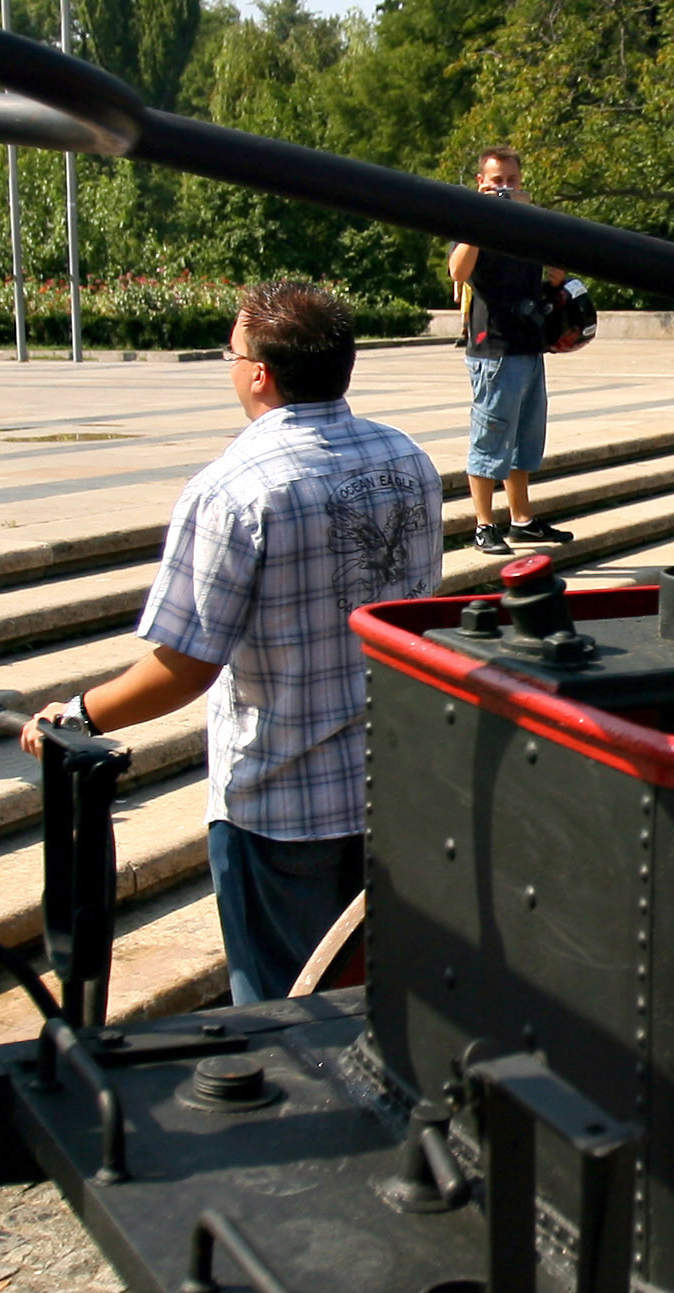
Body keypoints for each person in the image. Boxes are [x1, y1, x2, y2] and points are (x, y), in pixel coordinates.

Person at [24, 281, 441, 1005]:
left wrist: (82, 715)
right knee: (381, 1005)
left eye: (233, 349)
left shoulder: (237, 488)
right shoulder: (406, 460)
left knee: (286, 1020)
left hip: (283, 804)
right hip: (393, 785)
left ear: (258, 372)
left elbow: (185, 665)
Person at [448, 146, 572, 557]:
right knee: (490, 438)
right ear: (480, 183)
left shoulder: (528, 224)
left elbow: (548, 275)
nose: (504, 188)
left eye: (511, 181)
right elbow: (457, 271)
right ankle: (484, 524)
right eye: (496, 181)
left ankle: (522, 520)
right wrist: (480, 218)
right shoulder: (469, 219)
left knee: (525, 439)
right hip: (493, 348)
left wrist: (557, 276)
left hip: (528, 344)